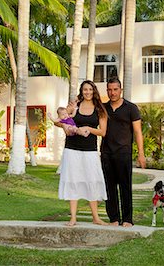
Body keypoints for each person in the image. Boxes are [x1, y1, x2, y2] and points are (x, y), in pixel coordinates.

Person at [56, 80, 109, 226]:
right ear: (81, 90)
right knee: (73, 181)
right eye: (85, 89)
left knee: (92, 180)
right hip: (72, 149)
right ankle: (73, 217)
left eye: (90, 89)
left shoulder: (100, 109)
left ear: (94, 91)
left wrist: (88, 128)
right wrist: (67, 126)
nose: (87, 92)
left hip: (90, 150)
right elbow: (60, 121)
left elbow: (103, 132)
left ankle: (96, 218)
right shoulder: (75, 106)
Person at [101, 77, 146, 227]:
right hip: (106, 153)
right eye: (109, 90)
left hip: (123, 153)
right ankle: (114, 218)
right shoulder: (103, 108)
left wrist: (141, 153)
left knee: (125, 187)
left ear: (121, 90)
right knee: (109, 188)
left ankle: (127, 219)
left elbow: (138, 132)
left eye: (115, 89)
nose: (112, 93)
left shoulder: (131, 108)